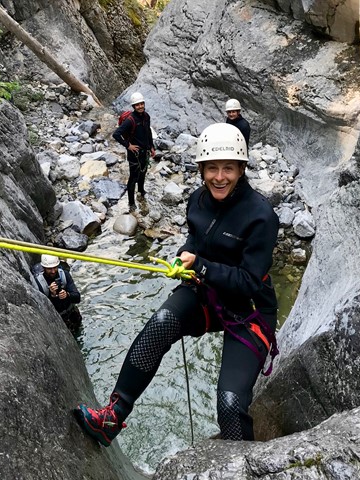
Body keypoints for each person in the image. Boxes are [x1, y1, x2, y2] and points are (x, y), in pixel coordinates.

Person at [75, 123, 279, 447]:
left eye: (228, 168)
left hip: (248, 310)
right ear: (201, 169)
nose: (220, 177)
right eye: (212, 168)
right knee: (161, 322)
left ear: (241, 169)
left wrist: (200, 265)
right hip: (205, 292)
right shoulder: (198, 200)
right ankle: (112, 417)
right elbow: (196, 240)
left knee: (229, 403)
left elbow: (249, 282)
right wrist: (184, 257)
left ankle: (240, 466)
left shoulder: (261, 216)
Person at [112, 92, 156, 212]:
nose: (140, 106)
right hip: (134, 154)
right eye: (137, 105)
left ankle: (141, 191)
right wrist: (128, 146)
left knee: (143, 173)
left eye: (141, 104)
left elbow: (148, 132)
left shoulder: (146, 116)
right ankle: (131, 203)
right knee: (133, 178)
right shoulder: (130, 120)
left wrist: (151, 147)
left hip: (145, 151)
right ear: (133, 106)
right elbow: (116, 134)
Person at [33, 254, 83, 335]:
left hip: (72, 314)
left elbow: (77, 298)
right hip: (57, 319)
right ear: (44, 268)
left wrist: (67, 295)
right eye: (50, 269)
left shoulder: (64, 275)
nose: (53, 271)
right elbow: (43, 309)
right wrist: (52, 295)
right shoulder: (39, 284)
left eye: (55, 267)